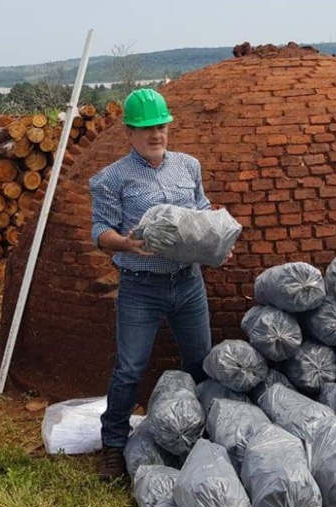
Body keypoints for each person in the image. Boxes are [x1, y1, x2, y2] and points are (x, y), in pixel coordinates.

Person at [90, 88, 214, 480]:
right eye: (146, 128)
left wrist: (215, 230)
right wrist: (124, 243)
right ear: (130, 133)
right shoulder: (111, 179)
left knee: (200, 363)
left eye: (160, 126)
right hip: (141, 287)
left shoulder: (188, 166)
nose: (155, 134)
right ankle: (113, 444)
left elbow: (202, 211)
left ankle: (201, 435)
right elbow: (99, 231)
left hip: (188, 282)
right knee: (130, 367)